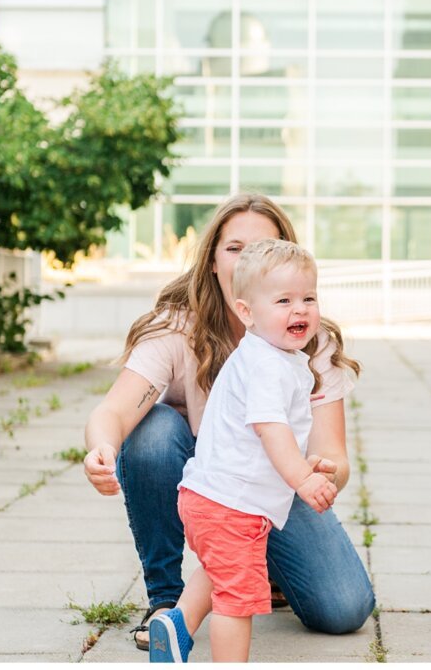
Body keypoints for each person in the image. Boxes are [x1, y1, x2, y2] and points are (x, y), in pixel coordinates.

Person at [83, 193, 374, 652]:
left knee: (345, 607)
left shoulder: (308, 340)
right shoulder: (180, 327)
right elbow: (115, 411)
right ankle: (166, 599)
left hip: (277, 481)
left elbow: (334, 454)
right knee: (152, 431)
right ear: (213, 261)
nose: (247, 261)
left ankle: (230, 589)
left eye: (264, 249)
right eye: (235, 248)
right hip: (212, 483)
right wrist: (101, 448)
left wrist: (321, 472)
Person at [149, 239, 335, 663]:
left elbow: (260, 442)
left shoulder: (264, 356)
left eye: (309, 297)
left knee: (219, 568)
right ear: (246, 312)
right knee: (238, 598)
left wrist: (304, 464)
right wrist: (303, 479)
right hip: (232, 506)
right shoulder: (268, 364)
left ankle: (176, 625)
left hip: (209, 497)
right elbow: (270, 430)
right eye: (284, 300)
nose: (300, 309)